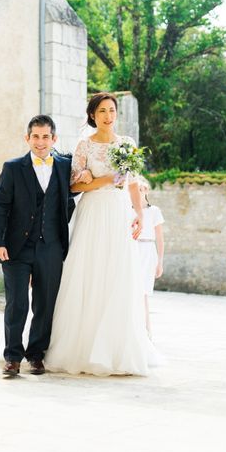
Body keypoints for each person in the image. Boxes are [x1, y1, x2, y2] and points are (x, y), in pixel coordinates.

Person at [43, 92, 157, 376]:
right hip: (93, 213)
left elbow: (131, 184)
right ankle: (81, 347)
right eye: (102, 111)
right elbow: (73, 187)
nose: (108, 115)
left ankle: (118, 348)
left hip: (119, 213)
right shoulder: (84, 146)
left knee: (119, 274)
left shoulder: (127, 144)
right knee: (88, 272)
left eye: (112, 110)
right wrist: (102, 180)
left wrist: (140, 216)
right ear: (93, 115)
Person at [0, 115, 77, 376]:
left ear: (54, 139)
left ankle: (36, 355)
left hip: (51, 246)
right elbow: (1, 206)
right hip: (16, 247)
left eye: (45, 136)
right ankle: (12, 357)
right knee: (17, 303)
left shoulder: (64, 166)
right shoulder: (12, 167)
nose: (40, 142)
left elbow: (78, 190)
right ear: (27, 138)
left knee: (45, 303)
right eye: (35, 137)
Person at [135, 176, 165, 339]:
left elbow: (160, 238)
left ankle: (147, 331)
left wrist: (160, 261)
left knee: (143, 292)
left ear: (146, 190)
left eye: (141, 189)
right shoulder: (129, 210)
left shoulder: (154, 211)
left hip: (147, 251)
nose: (139, 192)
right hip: (133, 250)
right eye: (136, 189)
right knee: (132, 290)